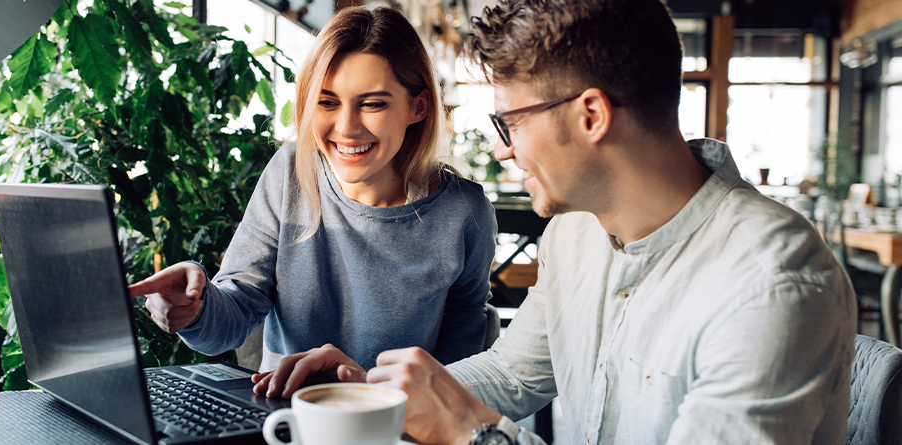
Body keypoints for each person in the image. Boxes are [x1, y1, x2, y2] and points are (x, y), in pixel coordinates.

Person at [250, 0, 857, 443]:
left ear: (591, 114)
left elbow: (480, 418)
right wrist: (368, 396)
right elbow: (513, 373)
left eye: (511, 123)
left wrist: (475, 436)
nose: (507, 150)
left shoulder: (772, 285)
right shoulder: (577, 231)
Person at [129, 6, 496, 375]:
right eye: (327, 102)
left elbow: (458, 359)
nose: (347, 127)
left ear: (418, 107)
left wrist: (385, 400)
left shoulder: (464, 211)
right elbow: (232, 316)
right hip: (287, 417)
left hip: (395, 423)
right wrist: (195, 307)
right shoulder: (290, 173)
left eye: (372, 104)